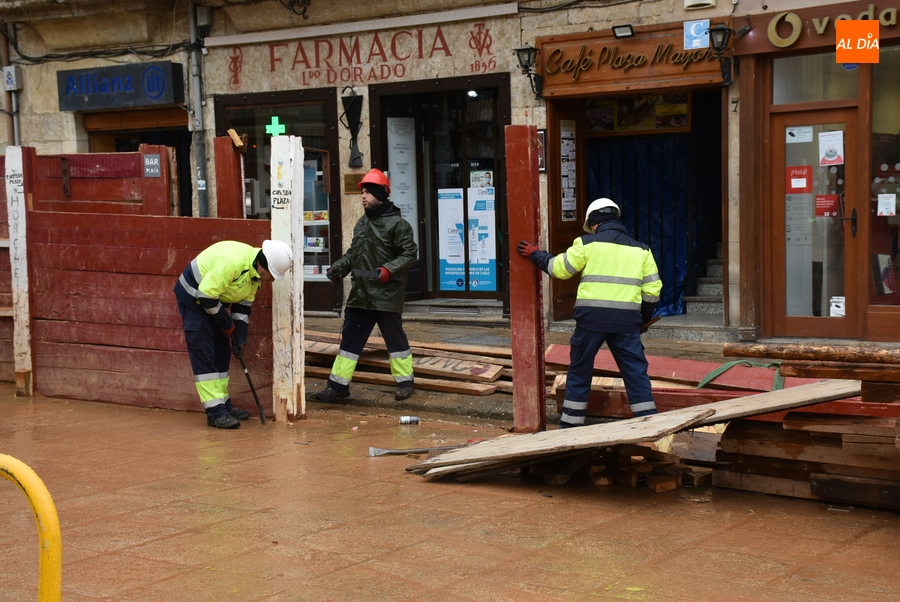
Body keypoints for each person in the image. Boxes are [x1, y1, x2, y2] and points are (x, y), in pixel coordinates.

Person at [517, 198, 662, 428]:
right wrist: (642, 319)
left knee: (580, 370)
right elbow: (653, 292)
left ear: (593, 223)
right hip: (626, 323)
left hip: (591, 321)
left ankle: (571, 428)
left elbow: (558, 269)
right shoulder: (642, 250)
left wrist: (537, 254)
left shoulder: (586, 244)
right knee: (635, 373)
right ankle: (650, 425)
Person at [316, 168, 419, 403]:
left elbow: (409, 253)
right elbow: (354, 254)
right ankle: (338, 386)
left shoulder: (398, 225)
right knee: (350, 340)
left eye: (367, 192)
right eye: (362, 191)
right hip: (361, 294)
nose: (362, 196)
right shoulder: (362, 222)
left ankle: (405, 382)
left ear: (380, 194)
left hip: (386, 294)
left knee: (395, 340)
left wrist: (388, 270)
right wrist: (339, 268)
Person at [174, 239, 293, 429]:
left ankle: (223, 403)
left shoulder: (255, 276)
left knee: (222, 352)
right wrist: (227, 324)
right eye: (272, 276)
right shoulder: (232, 263)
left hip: (214, 301)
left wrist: (240, 339)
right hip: (194, 298)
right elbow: (205, 295)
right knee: (204, 353)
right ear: (263, 266)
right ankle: (215, 412)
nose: (271, 281)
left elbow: (242, 308)